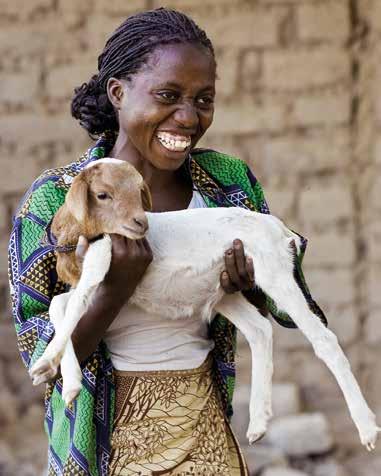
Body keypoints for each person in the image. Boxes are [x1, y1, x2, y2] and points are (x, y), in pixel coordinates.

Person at [8, 7, 324, 476]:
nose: (188, 117)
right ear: (118, 92)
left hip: (204, 429)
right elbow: (43, 360)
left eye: (204, 100)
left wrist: (252, 283)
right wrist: (115, 290)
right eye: (168, 95)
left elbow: (288, 307)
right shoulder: (59, 200)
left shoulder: (228, 184)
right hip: (104, 444)